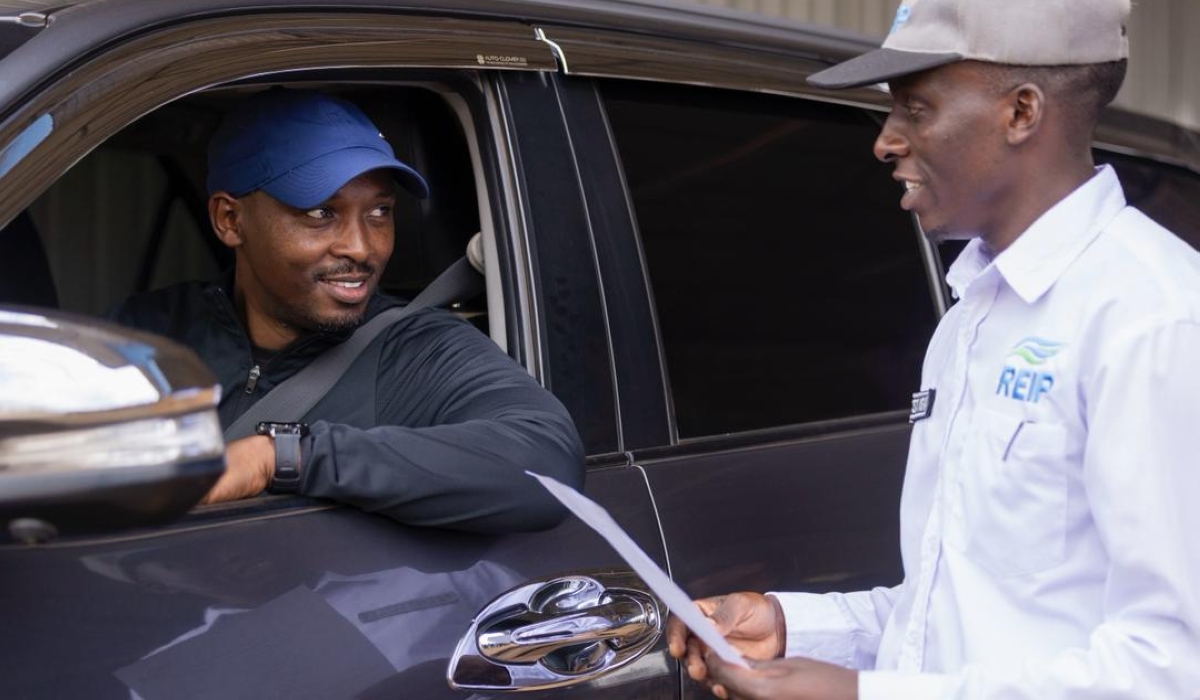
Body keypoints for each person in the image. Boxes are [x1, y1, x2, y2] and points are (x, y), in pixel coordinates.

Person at [667, 1, 1200, 698]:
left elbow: (1171, 668)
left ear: (1021, 112)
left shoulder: (1154, 317)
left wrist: (863, 695)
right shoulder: (971, 316)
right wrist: (793, 627)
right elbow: (953, 613)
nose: (885, 141)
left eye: (916, 109)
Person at [110, 88, 584, 532]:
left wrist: (280, 457)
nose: (361, 247)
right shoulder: (149, 332)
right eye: (321, 212)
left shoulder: (416, 349)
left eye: (379, 212)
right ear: (230, 220)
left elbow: (548, 466)